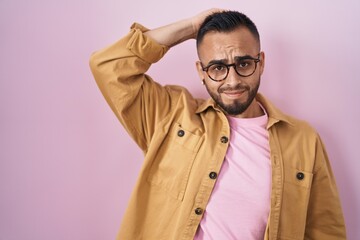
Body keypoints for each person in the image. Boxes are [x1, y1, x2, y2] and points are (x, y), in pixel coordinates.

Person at [89, 9, 346, 240]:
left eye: (244, 64)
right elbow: (108, 66)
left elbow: (325, 232)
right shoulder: (170, 114)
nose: (232, 81)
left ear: (261, 63)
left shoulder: (303, 140)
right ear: (201, 71)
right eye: (217, 67)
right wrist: (190, 27)